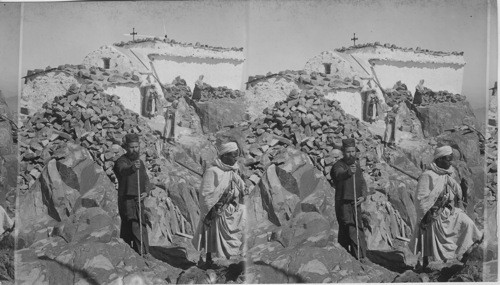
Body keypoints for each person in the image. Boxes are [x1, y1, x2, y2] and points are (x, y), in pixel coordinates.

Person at [409, 145, 483, 270]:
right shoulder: (427, 176)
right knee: (430, 235)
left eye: (451, 159)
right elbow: (420, 200)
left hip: (447, 211)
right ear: (439, 160)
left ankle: (466, 253)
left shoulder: (446, 174)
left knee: (468, 223)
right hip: (432, 215)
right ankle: (428, 264)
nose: (450, 162)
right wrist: (429, 213)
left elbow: (453, 193)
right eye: (448, 159)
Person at [192, 142, 247, 267]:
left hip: (229, 207)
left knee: (244, 213)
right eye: (233, 156)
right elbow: (205, 196)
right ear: (225, 156)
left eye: (236, 155)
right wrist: (215, 206)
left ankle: (235, 253)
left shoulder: (232, 170)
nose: (235, 159)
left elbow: (241, 185)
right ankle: (210, 259)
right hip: (215, 211)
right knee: (211, 232)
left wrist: (243, 189)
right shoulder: (212, 172)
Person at [330, 139, 370, 263]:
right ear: (343, 152)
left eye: (353, 151)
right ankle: (353, 257)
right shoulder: (338, 165)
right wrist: (348, 172)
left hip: (356, 203)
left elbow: (362, 182)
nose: (351, 154)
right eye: (348, 152)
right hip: (343, 204)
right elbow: (338, 175)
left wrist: (363, 196)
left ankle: (360, 256)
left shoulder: (356, 165)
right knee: (348, 228)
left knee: (357, 227)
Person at [113, 133, 152, 257]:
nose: (134, 149)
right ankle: (136, 253)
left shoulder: (140, 162)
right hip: (126, 199)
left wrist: (146, 191)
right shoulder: (121, 161)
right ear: (126, 147)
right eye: (131, 147)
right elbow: (123, 170)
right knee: (132, 224)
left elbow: (145, 179)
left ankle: (144, 252)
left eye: (136, 146)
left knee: (141, 224)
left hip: (139, 199)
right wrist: (132, 168)